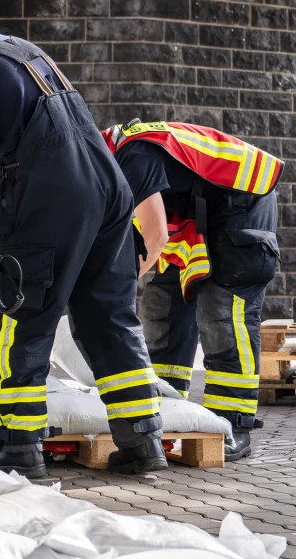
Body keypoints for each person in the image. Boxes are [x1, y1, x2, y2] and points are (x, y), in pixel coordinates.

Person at [0, 1, 164, 477]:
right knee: (109, 316)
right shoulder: (28, 52)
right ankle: (143, 442)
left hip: (52, 192)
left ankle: (18, 446)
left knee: (23, 312)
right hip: (109, 186)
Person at [105, 119, 282, 461]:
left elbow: (154, 237)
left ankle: (234, 424)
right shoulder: (110, 166)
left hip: (244, 199)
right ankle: (170, 413)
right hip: (196, 213)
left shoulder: (132, 155)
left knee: (222, 312)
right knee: (161, 306)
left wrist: (117, 285)